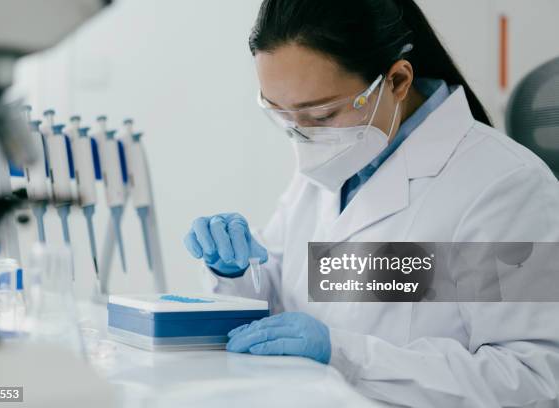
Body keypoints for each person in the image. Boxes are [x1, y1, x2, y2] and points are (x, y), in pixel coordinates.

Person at [184, 0, 559, 406]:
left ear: (397, 81)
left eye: (322, 114)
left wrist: (346, 355)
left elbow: (534, 378)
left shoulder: (503, 185)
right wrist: (236, 270)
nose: (303, 136)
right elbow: (291, 288)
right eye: (283, 115)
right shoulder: (333, 162)